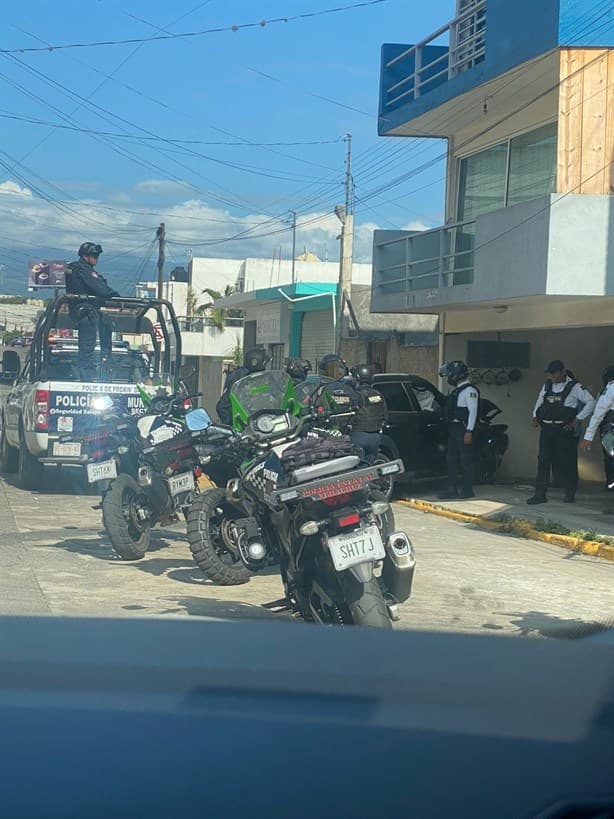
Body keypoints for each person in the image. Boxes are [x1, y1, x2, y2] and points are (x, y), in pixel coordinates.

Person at [527, 359, 595, 504]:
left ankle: (570, 493)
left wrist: (577, 419)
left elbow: (591, 402)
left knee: (567, 461)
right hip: (547, 429)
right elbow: (540, 401)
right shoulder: (547, 385)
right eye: (550, 374)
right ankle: (540, 494)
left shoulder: (575, 386)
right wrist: (535, 416)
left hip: (563, 430)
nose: (552, 376)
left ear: (563, 372)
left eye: (554, 373)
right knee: (543, 461)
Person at [65, 242, 118, 381]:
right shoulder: (83, 270)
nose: (96, 259)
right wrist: (115, 295)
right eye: (93, 255)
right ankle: (87, 381)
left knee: (104, 330)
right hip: (86, 313)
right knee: (87, 349)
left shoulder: (80, 269)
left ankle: (101, 370)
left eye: (97, 256)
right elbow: (100, 288)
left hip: (88, 312)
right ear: (85, 256)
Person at [438, 360, 479, 500]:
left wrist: (469, 431)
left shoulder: (470, 391)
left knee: (466, 460)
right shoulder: (456, 391)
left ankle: (467, 489)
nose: (448, 377)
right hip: (454, 428)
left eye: (450, 374)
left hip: (463, 428)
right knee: (452, 460)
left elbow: (473, 412)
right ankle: (452, 489)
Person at [579, 364, 614, 490]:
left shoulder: (610, 388)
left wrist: (589, 435)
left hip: (609, 429)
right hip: (609, 428)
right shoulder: (608, 389)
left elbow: (599, 412)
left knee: (610, 458)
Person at [215, 347, 268, 425]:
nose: (266, 366)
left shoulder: (267, 379)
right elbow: (222, 406)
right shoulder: (238, 379)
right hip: (245, 425)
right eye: (264, 363)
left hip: (266, 422)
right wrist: (234, 425)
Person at [350, 364, 387, 460]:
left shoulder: (356, 395)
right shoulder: (378, 394)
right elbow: (385, 416)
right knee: (369, 467)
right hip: (375, 437)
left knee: (356, 469)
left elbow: (348, 415)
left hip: (358, 436)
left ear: (357, 378)